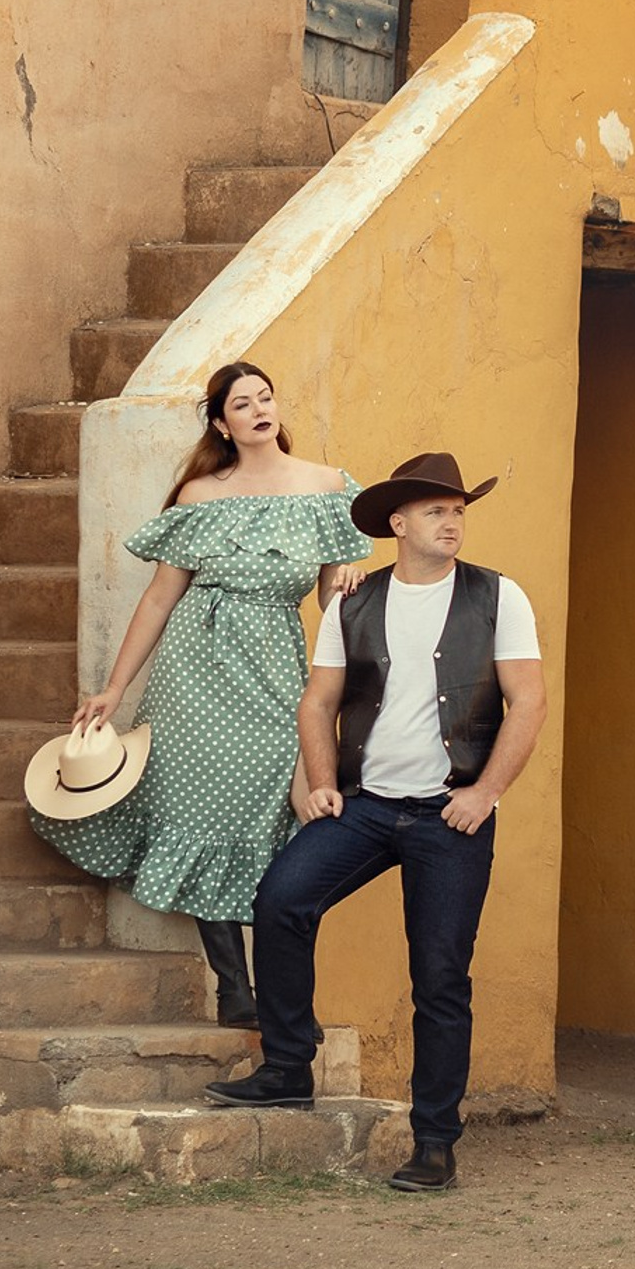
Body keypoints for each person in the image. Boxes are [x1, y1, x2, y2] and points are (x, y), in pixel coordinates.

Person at [208, 450, 545, 1195]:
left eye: (458, 510)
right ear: (398, 523)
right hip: (364, 807)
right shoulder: (354, 603)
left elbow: (528, 701)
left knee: (439, 977)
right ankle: (289, 1066)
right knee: (282, 899)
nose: (451, 522)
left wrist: (486, 792)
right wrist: (323, 784)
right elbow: (319, 702)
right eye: (435, 510)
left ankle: (434, 1143)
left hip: (450, 814)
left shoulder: (498, 597)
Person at [25, 359, 368, 1027]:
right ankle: (234, 989)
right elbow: (159, 598)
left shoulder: (327, 489)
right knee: (202, 811)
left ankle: (282, 986)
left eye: (266, 397)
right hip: (196, 669)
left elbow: (329, 599)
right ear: (222, 423)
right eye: (243, 404)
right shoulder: (200, 497)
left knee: (283, 811)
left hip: (275, 665)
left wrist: (345, 584)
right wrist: (114, 689)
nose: (260, 409)